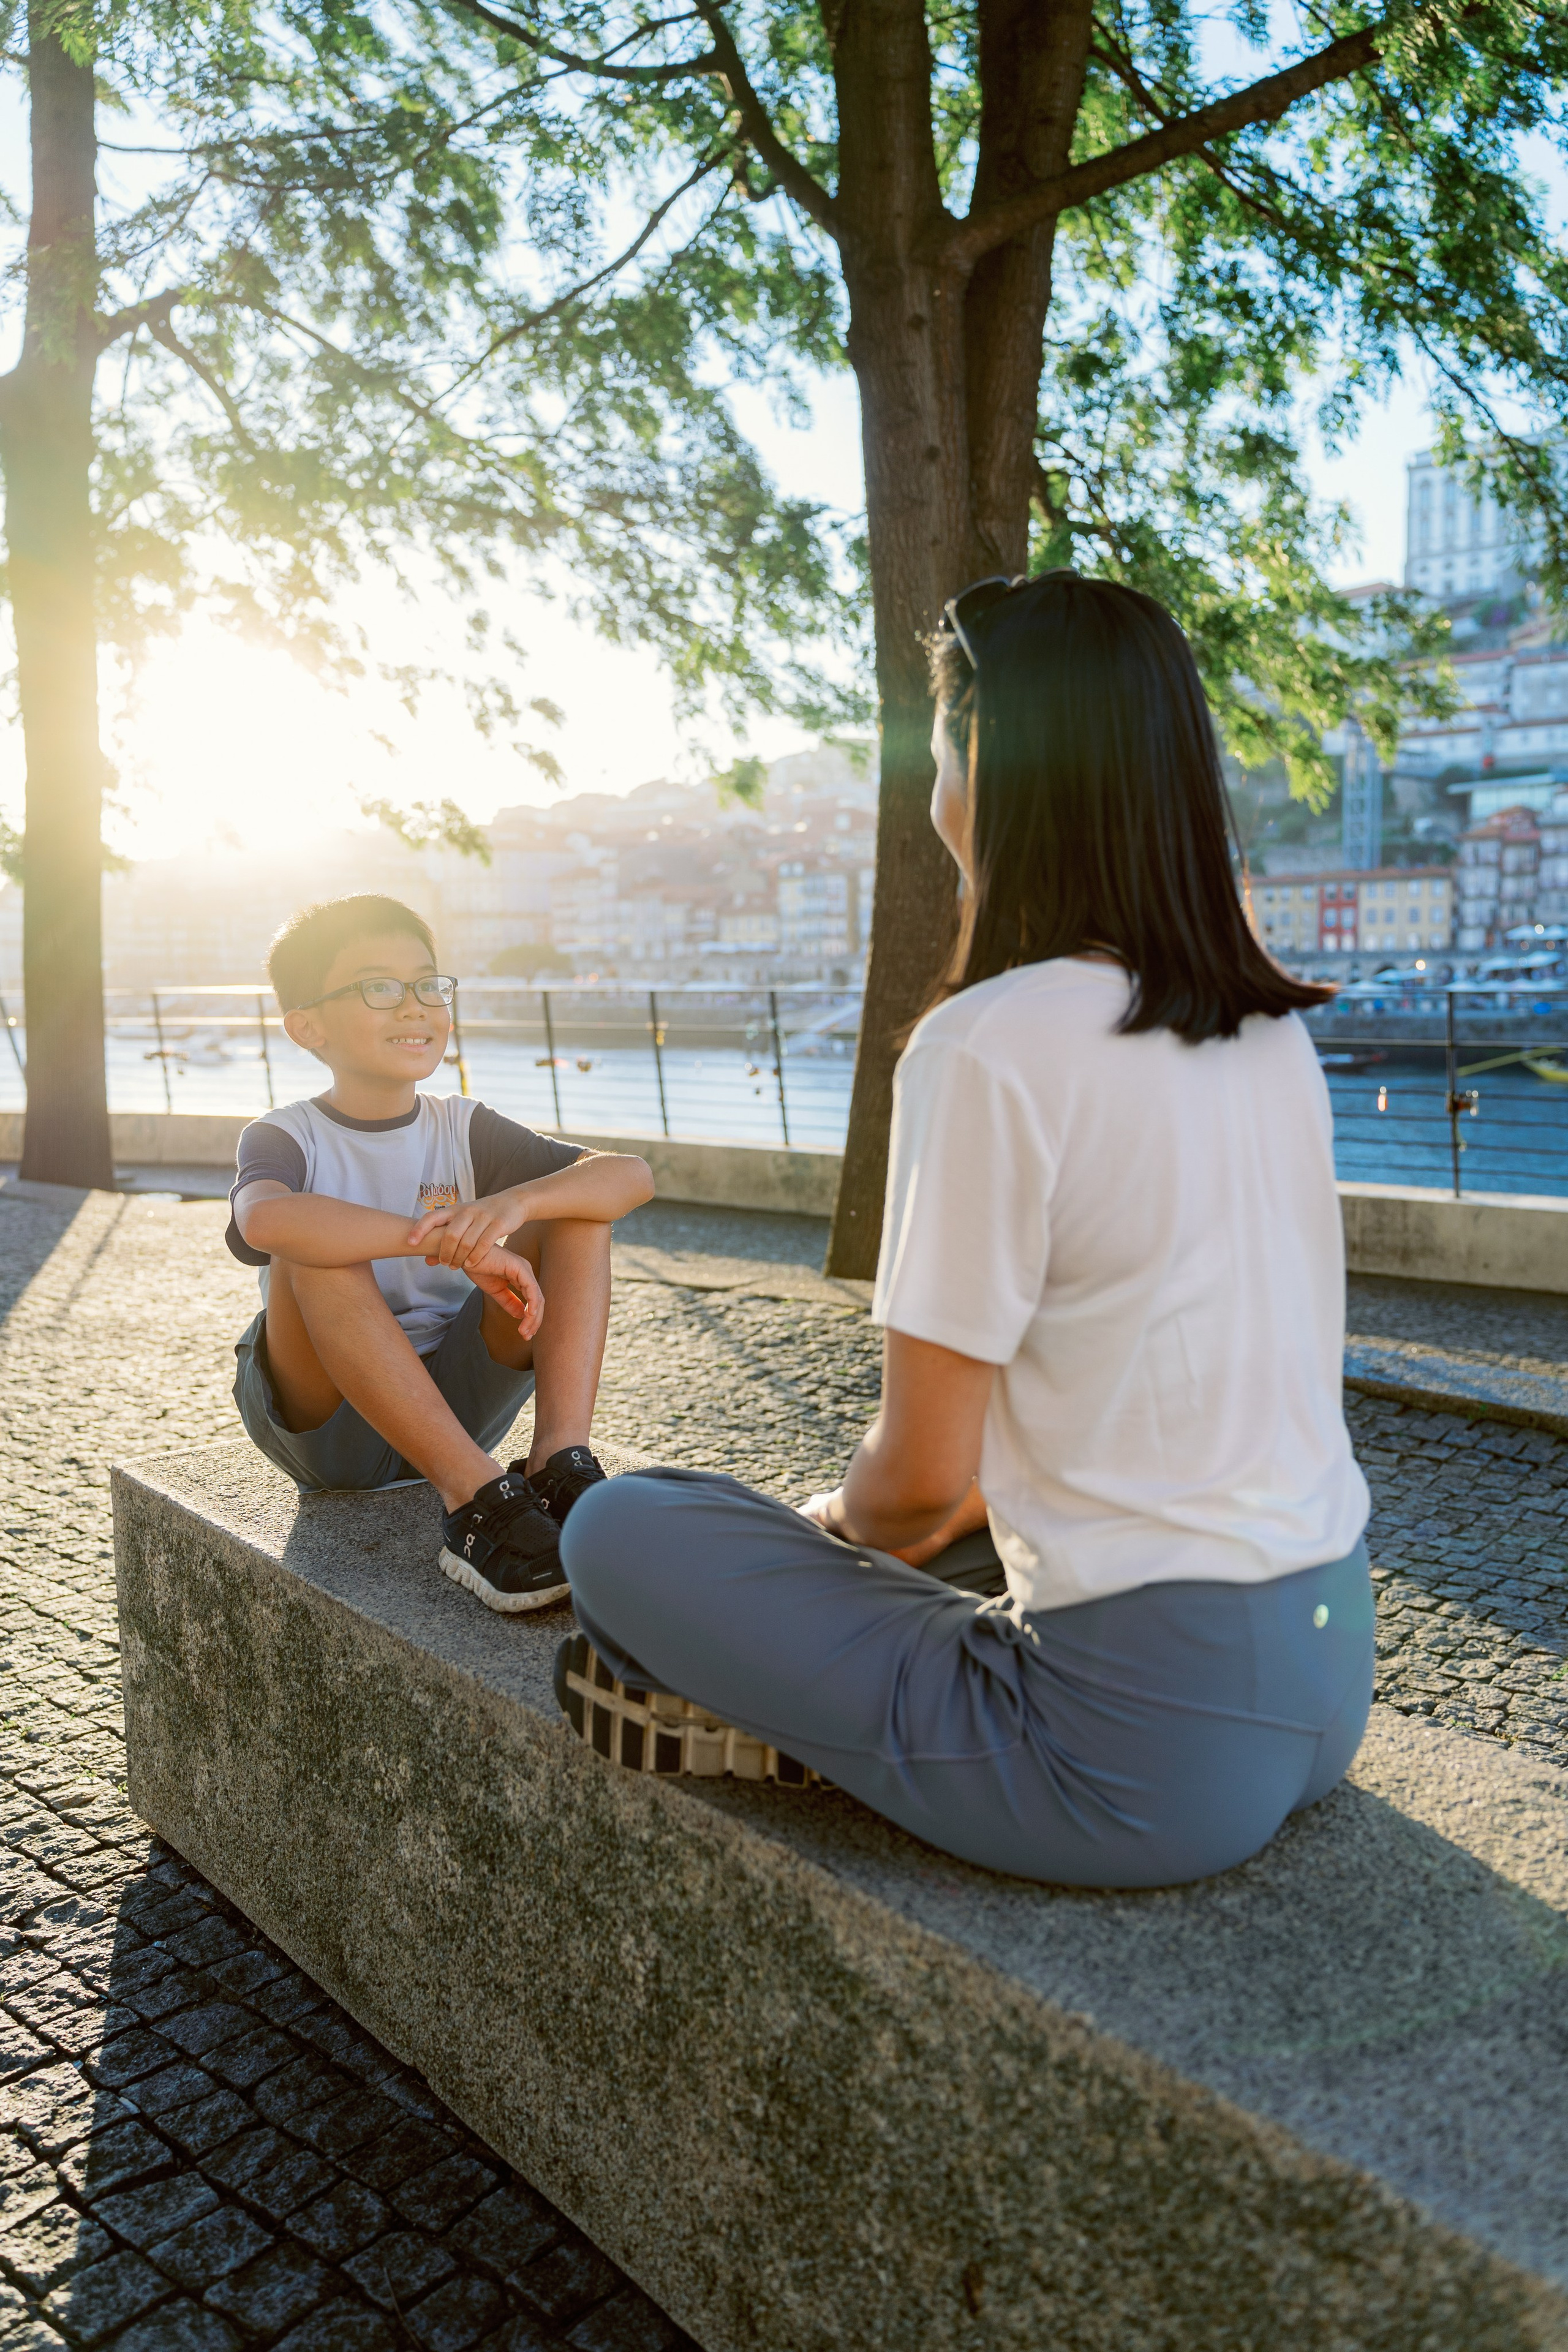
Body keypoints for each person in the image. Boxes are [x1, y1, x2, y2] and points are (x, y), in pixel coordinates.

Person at [555, 570, 1374, 1888]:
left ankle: (819, 1732)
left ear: (980, 761)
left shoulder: (988, 1043)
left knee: (619, 1528)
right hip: (1329, 1681)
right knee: (933, 1535)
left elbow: (925, 1484)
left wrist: (820, 1532)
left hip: (1130, 1761)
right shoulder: (1267, 1032)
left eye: (938, 750)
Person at [227, 894, 653, 1610]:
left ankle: (558, 1465)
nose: (415, 1006)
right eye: (379, 987)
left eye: (428, 984)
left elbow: (630, 1176)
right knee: (313, 1246)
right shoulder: (284, 1135)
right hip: (328, 1420)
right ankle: (475, 1504)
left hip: (458, 1401)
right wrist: (448, 1243)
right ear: (307, 1026)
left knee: (577, 1207)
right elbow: (265, 1221)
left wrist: (515, 1206)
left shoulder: (462, 1126)